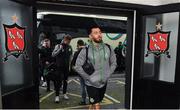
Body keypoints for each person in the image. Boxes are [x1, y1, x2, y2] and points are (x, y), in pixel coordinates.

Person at [74, 25, 117, 110]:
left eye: (100, 32)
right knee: (97, 105)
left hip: (103, 82)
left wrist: (107, 75)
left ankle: (91, 106)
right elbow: (77, 66)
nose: (99, 34)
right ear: (90, 36)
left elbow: (114, 63)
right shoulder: (85, 50)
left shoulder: (108, 48)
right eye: (96, 33)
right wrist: (88, 78)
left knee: (94, 102)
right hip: (91, 84)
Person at [52, 35, 73, 103]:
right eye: (68, 41)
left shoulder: (69, 47)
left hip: (66, 67)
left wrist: (70, 66)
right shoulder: (58, 46)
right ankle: (57, 96)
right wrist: (59, 49)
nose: (69, 42)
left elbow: (70, 57)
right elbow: (53, 54)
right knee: (58, 81)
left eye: (70, 41)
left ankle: (64, 94)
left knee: (65, 81)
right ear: (64, 39)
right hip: (59, 67)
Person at [71, 39, 87, 105]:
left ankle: (83, 100)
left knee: (83, 86)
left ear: (78, 44)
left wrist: (73, 68)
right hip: (88, 72)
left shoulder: (77, 52)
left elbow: (73, 62)